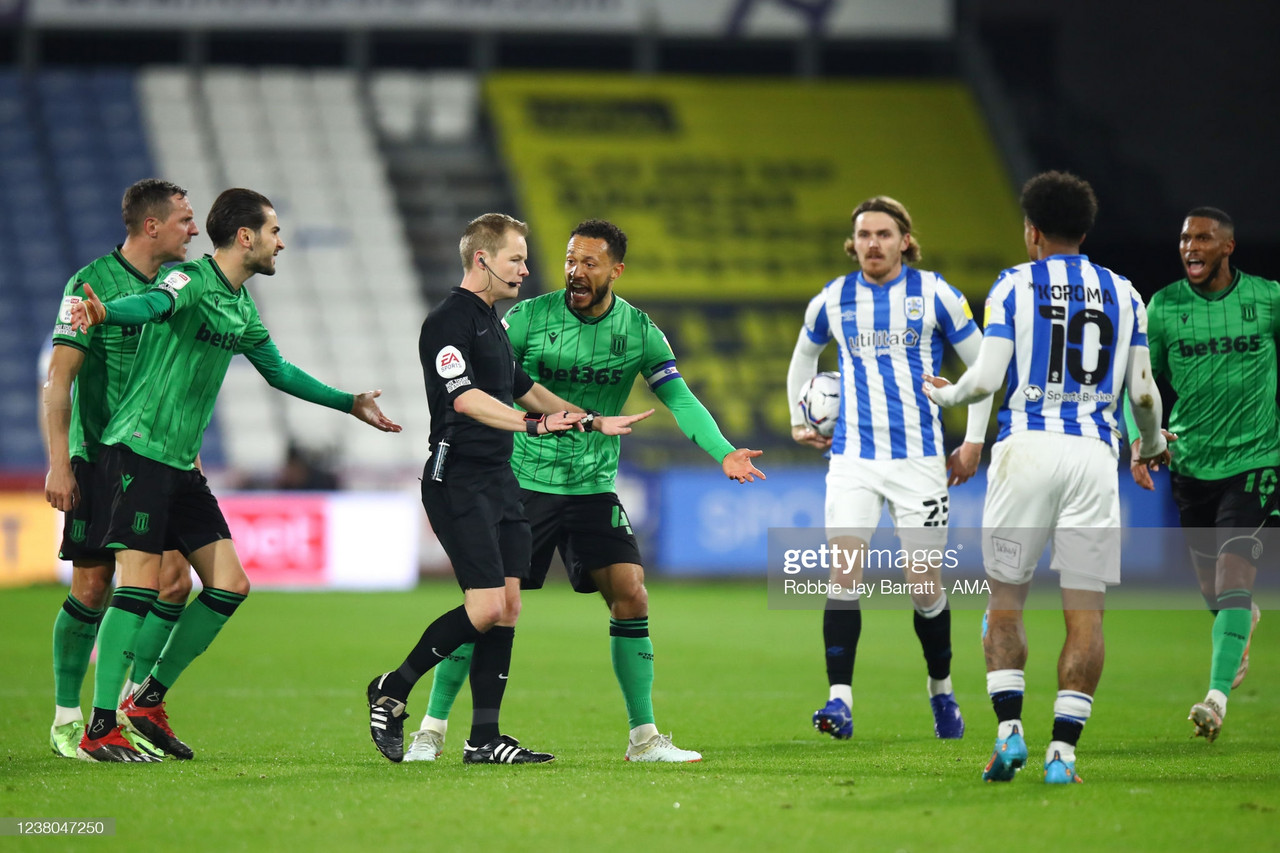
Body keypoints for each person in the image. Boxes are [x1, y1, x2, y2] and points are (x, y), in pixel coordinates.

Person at [402, 218, 764, 764]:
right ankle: (431, 728)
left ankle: (643, 739)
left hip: (592, 485)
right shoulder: (527, 316)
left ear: (616, 270)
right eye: (571, 260)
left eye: (589, 263)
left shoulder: (640, 332)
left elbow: (680, 399)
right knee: (489, 607)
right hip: (521, 479)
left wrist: (724, 451)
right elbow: (491, 382)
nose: (575, 271)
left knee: (632, 593)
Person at [66, 187, 402, 762]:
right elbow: (150, 305)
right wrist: (105, 310)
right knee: (141, 585)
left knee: (230, 585)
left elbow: (279, 371)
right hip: (139, 451)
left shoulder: (241, 307)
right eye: (274, 231)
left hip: (180, 464)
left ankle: (145, 701)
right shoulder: (189, 282)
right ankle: (100, 726)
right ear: (245, 237)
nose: (282, 242)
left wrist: (348, 402)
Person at [365, 213, 650, 765]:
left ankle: (484, 738)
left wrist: (590, 420)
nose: (526, 269)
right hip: (459, 480)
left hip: (500, 481)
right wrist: (532, 426)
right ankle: (392, 688)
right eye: (515, 259)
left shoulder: (491, 323)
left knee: (508, 606)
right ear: (482, 260)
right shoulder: (449, 321)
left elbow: (528, 389)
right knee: (487, 606)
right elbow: (465, 399)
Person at [924, 170, 1171, 783]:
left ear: (1031, 231)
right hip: (1093, 456)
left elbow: (985, 380)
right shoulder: (1126, 293)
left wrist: (948, 391)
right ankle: (1063, 754)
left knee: (1005, 601)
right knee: (1086, 614)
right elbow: (1142, 391)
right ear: (1084, 230)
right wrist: (1150, 444)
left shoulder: (1014, 285)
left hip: (1027, 450)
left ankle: (1010, 736)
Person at [786, 196, 990, 743]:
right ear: (852, 244)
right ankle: (839, 701)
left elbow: (984, 367)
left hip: (920, 461)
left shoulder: (936, 294)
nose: (873, 243)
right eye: (863, 234)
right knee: (843, 574)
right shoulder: (834, 299)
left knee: (924, 584)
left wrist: (972, 442)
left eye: (884, 233)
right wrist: (797, 417)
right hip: (852, 458)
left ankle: (942, 690)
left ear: (905, 240)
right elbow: (804, 358)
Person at [42, 179, 200, 758]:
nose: (195, 228)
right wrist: (61, 463)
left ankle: (128, 707)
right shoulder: (89, 284)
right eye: (185, 217)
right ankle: (67, 715)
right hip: (99, 455)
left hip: (163, 457)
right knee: (92, 585)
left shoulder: (183, 287)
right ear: (151, 226)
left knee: (176, 582)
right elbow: (58, 381)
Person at [1126, 207, 1274, 742]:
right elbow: (1138, 380)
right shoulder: (1163, 308)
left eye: (1204, 238)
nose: (1191, 246)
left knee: (1235, 576)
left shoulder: (1267, 300)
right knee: (1216, 593)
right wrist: (1143, 443)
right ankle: (1241, 621)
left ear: (1228, 247)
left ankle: (1215, 698)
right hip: (1190, 465)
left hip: (1257, 461)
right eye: (1185, 237)